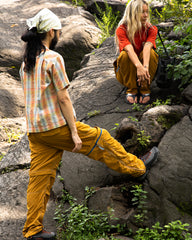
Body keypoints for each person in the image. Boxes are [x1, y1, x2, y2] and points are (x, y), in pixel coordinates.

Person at [20, 8, 159, 240]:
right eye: (59, 31)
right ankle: (137, 168)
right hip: (56, 126)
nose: (60, 34)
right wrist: (74, 132)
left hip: (36, 130)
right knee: (101, 138)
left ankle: (32, 230)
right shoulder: (53, 58)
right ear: (51, 31)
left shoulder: (27, 62)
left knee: (40, 178)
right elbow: (63, 98)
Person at [115, 0, 159, 104]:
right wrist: (139, 67)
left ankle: (145, 88)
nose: (146, 15)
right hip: (128, 70)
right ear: (133, 13)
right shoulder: (121, 29)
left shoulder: (151, 29)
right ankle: (132, 89)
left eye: (147, 11)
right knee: (124, 55)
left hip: (145, 70)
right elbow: (129, 49)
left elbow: (148, 47)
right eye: (142, 12)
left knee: (152, 53)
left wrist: (145, 68)